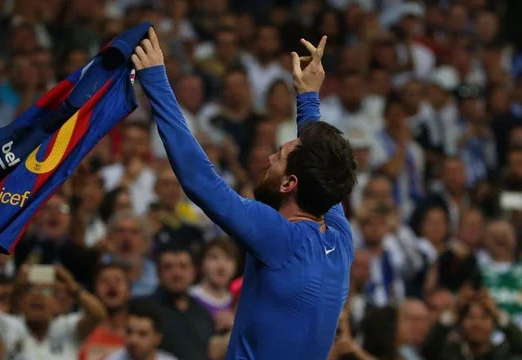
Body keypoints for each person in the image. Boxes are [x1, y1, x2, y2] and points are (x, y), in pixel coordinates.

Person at [133, 28, 357, 359]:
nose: (268, 158)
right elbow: (321, 167)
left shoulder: (279, 237)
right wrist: (308, 96)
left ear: (288, 184)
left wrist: (156, 82)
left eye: (278, 156)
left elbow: (201, 180)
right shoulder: (340, 236)